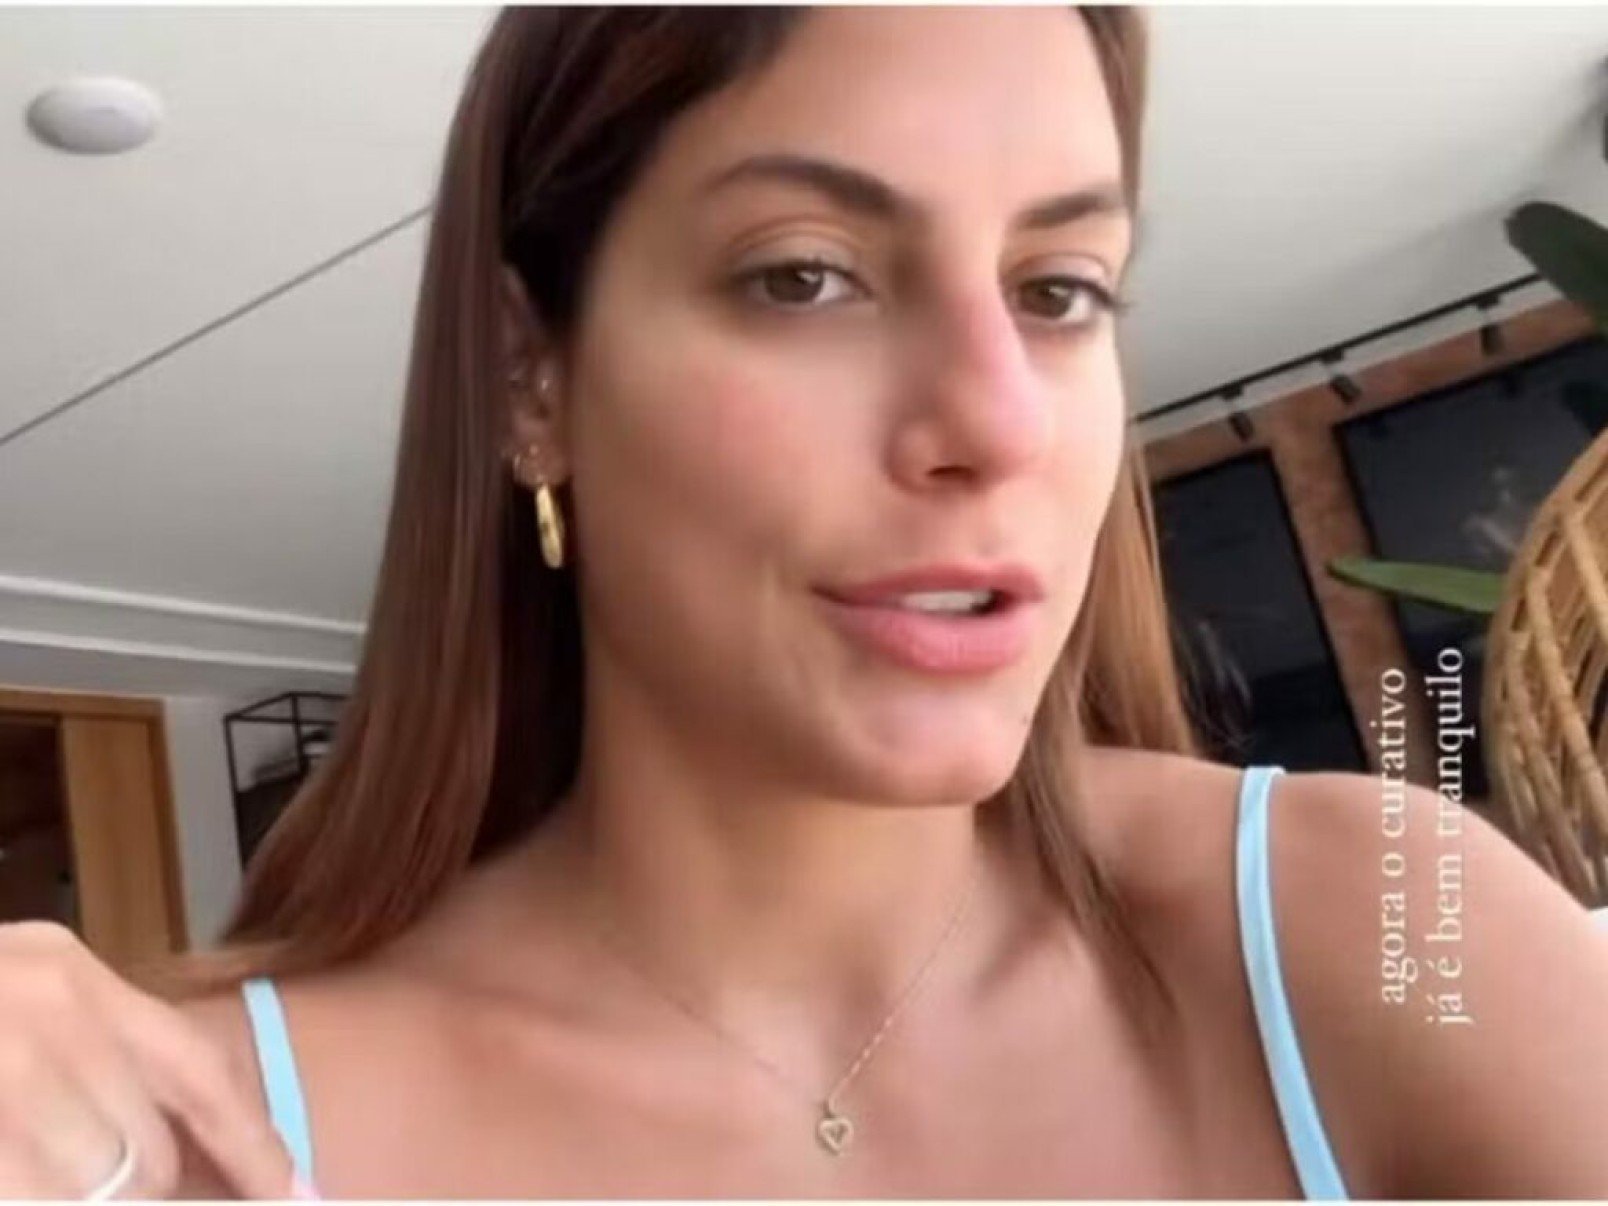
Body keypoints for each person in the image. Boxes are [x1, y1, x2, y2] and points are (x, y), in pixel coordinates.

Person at [3, 6, 1607, 1199]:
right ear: (529, 375)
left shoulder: (1376, 922)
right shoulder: (204, 1134)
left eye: (1058, 290)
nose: (998, 421)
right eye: (804, 274)